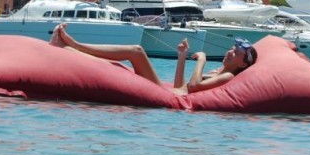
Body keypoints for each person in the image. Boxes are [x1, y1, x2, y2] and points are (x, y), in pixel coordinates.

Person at [48, 23, 257, 95]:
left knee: (136, 51)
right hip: (172, 92)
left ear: (242, 63)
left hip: (169, 96)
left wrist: (201, 60)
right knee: (118, 66)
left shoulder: (228, 77)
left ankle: (73, 44)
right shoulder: (219, 73)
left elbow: (192, 89)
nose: (230, 51)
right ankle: (68, 48)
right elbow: (181, 87)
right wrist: (182, 57)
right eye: (232, 48)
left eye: (236, 52)